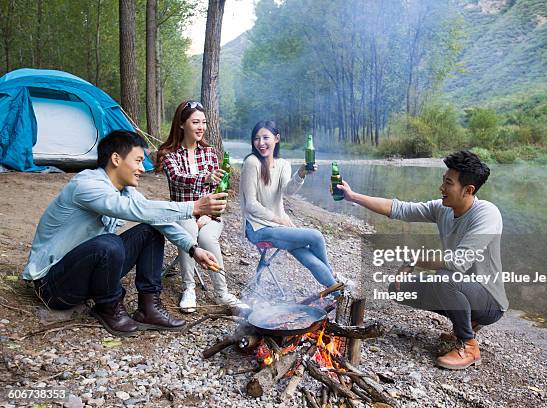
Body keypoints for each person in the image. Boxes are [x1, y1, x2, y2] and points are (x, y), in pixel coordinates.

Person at [22, 130, 228, 337]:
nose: (142, 168)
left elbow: (152, 215)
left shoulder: (124, 190)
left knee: (150, 231)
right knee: (109, 243)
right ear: (116, 159)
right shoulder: (86, 185)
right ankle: (108, 306)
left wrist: (193, 249)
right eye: (138, 161)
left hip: (85, 275)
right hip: (53, 286)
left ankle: (149, 308)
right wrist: (193, 207)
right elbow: (135, 210)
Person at [337, 151, 507, 370]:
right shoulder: (443, 209)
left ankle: (468, 344)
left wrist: (414, 259)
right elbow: (401, 209)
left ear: (468, 190)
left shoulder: (487, 214)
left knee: (445, 277)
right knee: (397, 288)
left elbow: (458, 263)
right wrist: (353, 197)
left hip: (489, 301)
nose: (442, 188)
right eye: (443, 181)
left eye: (448, 183)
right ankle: (466, 320)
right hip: (459, 287)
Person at [156, 100, 243, 312]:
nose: (201, 127)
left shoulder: (210, 153)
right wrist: (205, 178)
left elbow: (220, 192)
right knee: (189, 228)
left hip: (208, 216)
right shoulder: (169, 154)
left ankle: (222, 293)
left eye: (203, 122)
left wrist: (211, 215)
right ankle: (189, 288)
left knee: (206, 236)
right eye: (195, 122)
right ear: (182, 124)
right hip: (182, 213)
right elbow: (177, 178)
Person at [239, 120, 341, 291]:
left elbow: (288, 191)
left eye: (266, 138)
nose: (261, 143)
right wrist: (278, 219)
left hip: (278, 227)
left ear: (276, 138)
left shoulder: (283, 164)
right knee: (315, 236)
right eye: (257, 139)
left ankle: (334, 289)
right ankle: (334, 280)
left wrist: (301, 174)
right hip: (257, 229)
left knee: (306, 255)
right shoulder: (252, 162)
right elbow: (251, 204)